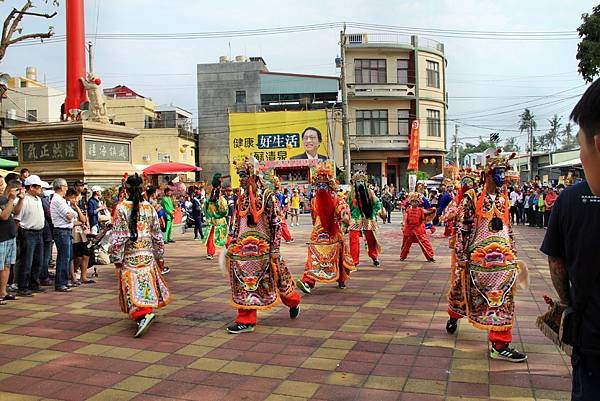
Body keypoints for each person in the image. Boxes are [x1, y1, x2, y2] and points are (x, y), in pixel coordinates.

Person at [540, 78, 600, 401]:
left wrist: (566, 303)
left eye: (581, 146)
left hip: (592, 344)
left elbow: (556, 260)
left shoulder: (568, 200)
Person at [446, 149, 528, 362]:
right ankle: (454, 313)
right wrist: (462, 256)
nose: (502, 176)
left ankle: (500, 344)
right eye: (498, 171)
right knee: (462, 288)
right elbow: (463, 228)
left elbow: (507, 227)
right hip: (478, 256)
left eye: (504, 171)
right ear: (488, 174)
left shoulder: (503, 197)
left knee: (503, 297)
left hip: (504, 258)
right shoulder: (471, 198)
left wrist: (513, 249)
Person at [224, 157, 300, 334]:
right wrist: (232, 242)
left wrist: (275, 249)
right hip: (243, 251)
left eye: (243, 175)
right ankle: (246, 319)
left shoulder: (268, 196)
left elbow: (276, 223)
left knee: (279, 280)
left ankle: (294, 301)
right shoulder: (241, 198)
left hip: (264, 248)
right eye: (239, 175)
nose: (241, 179)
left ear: (253, 175)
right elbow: (237, 223)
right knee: (244, 282)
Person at [111, 173, 171, 338]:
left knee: (132, 286)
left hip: (130, 256)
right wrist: (159, 255)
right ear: (143, 188)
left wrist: (116, 257)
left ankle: (143, 314)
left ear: (126, 188)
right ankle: (146, 311)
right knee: (146, 283)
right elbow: (157, 235)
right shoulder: (149, 208)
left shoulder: (122, 208)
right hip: (147, 255)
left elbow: (119, 237)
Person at [296, 162, 355, 293]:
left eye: (324, 185)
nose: (321, 188)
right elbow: (313, 217)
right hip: (318, 234)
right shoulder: (314, 201)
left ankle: (341, 279)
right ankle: (308, 282)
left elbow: (344, 213)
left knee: (338, 255)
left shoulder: (338, 200)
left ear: (330, 186)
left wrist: (345, 219)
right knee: (313, 256)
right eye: (319, 185)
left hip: (333, 232)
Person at [14, 175, 46, 297]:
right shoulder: (23, 200)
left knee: (38, 260)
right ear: (31, 187)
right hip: (28, 232)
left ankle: (34, 283)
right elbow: (17, 218)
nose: (40, 189)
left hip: (39, 232)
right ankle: (23, 286)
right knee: (27, 260)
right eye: (38, 187)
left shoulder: (37, 199)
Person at [347, 171, 382, 267]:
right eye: (358, 181)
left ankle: (374, 256)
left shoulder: (370, 192)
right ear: (354, 183)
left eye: (362, 181)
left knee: (371, 238)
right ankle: (354, 260)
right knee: (353, 239)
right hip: (355, 217)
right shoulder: (351, 194)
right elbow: (348, 207)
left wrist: (372, 213)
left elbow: (378, 204)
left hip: (368, 217)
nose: (360, 183)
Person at [0, 180, 24, 303]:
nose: (1, 187)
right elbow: (3, 216)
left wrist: (20, 199)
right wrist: (11, 199)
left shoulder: (4, 200)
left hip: (10, 236)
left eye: (1, 184)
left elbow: (16, 212)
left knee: (7, 265)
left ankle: (3, 292)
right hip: (1, 238)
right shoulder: (6, 200)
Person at [50, 178, 76, 293]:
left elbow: (72, 213)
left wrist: (73, 213)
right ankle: (61, 283)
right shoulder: (57, 200)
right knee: (64, 257)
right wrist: (73, 214)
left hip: (66, 231)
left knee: (67, 256)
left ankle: (64, 281)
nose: (66, 189)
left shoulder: (61, 200)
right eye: (65, 186)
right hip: (61, 231)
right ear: (61, 187)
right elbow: (69, 216)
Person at [400, 192, 435, 262]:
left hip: (419, 229)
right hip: (409, 229)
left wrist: (433, 210)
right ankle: (402, 256)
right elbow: (405, 218)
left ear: (419, 202)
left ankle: (430, 256)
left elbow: (427, 213)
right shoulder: (408, 210)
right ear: (410, 202)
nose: (414, 203)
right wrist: (404, 224)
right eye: (413, 201)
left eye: (416, 202)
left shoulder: (421, 210)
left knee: (425, 243)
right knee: (405, 243)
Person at [202, 174, 228, 260]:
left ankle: (210, 253)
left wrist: (209, 216)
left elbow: (205, 209)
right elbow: (225, 211)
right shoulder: (222, 200)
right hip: (220, 221)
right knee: (225, 236)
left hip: (212, 221)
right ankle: (231, 250)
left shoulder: (208, 200)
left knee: (210, 237)